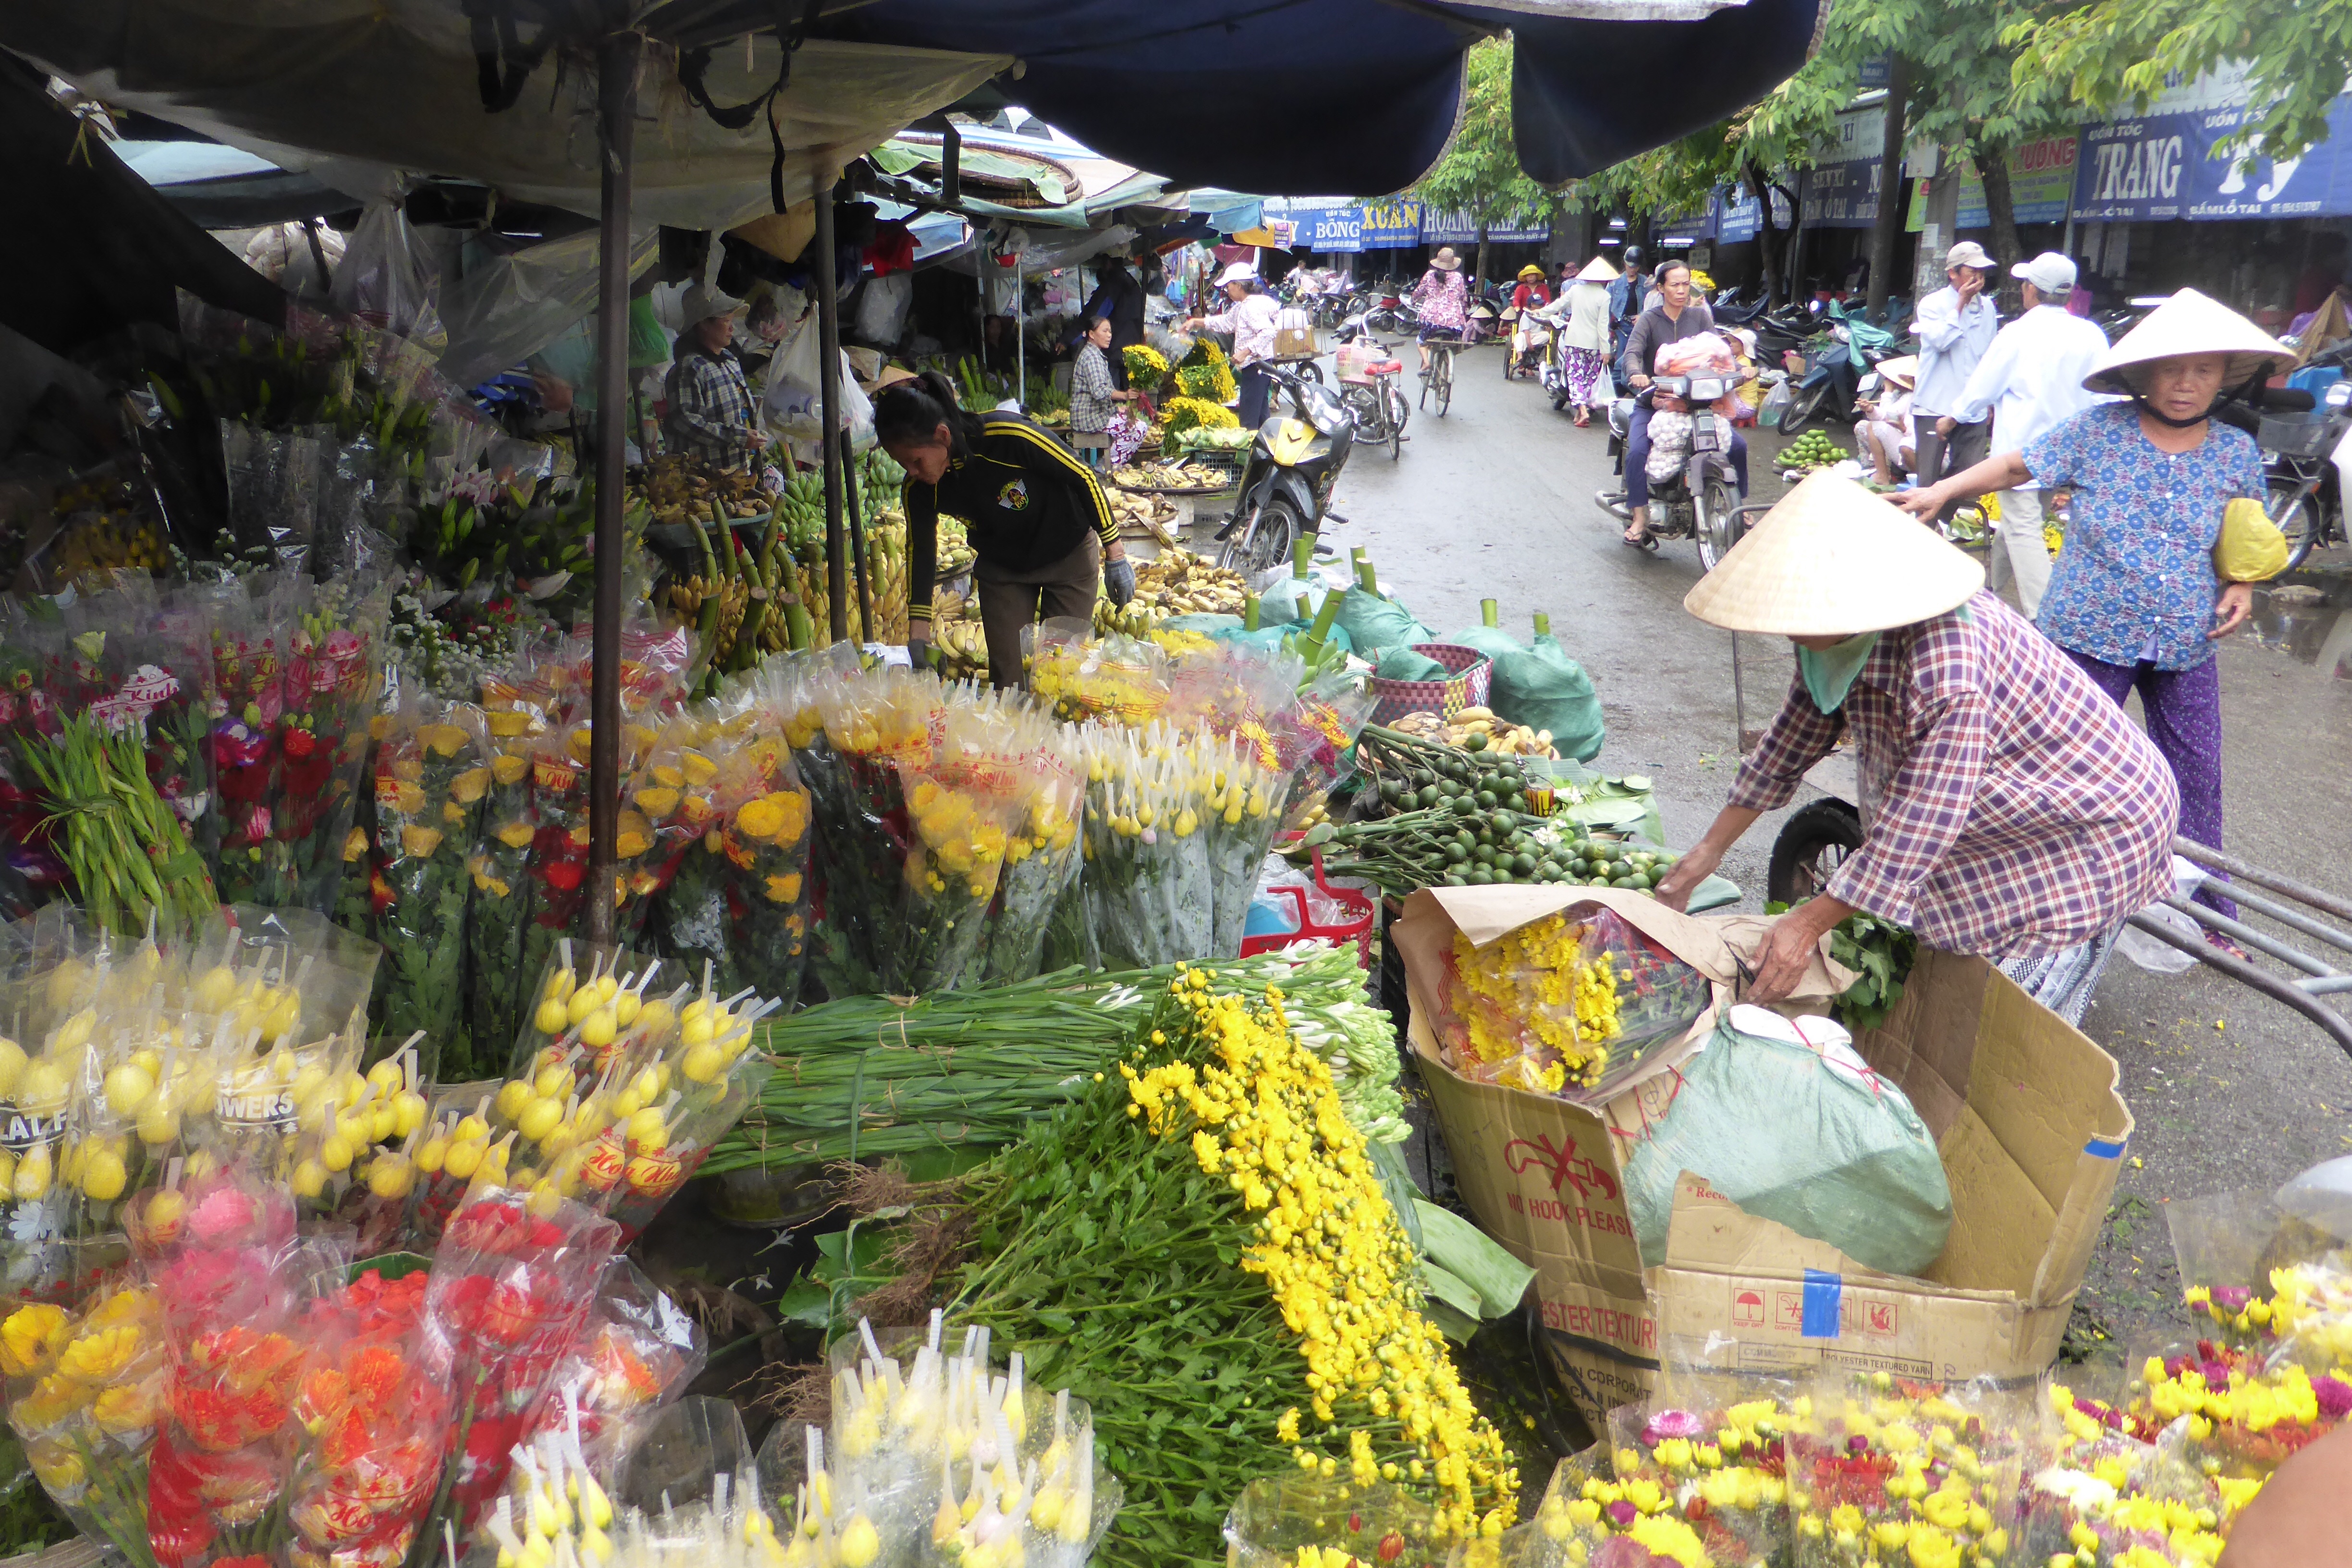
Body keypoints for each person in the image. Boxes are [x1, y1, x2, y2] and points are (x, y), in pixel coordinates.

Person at [1656, 475, 2179, 1024]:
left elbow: (1921, 823)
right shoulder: (1829, 632)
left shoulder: (1948, 669)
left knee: (2009, 1019)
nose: (1784, 629)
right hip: (2002, 799)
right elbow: (1791, 739)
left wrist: (1807, 924)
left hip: (2091, 823)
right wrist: (1708, 852)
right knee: (1949, 974)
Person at [1893, 288, 2294, 942]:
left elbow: (2242, 533)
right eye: (2172, 369)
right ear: (2143, 374)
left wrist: (2243, 586)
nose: (2186, 384)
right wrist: (1941, 489)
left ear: (2225, 377)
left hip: (2186, 639)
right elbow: (2016, 465)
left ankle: (2209, 923)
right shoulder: (2098, 431)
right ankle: (2037, 909)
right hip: (2087, 635)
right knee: (2061, 775)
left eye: (2204, 370)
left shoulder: (2234, 452)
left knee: (2197, 778)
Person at [879, 370, 1135, 690]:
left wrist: (1115, 552)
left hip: (1067, 555)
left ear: (943, 436)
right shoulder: (918, 488)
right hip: (1003, 569)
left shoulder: (1008, 436)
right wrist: (919, 634)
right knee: (1008, 681)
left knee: (1061, 675)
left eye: (916, 461)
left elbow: (1083, 476)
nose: (913, 472)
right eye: (903, 465)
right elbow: (921, 551)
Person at [1939, 253, 2112, 617]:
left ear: (2031, 289)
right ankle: (1986, 592)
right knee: (2018, 523)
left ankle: (2044, 616)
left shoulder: (2017, 334)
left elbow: (1982, 388)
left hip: (2020, 451)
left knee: (2022, 527)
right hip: (2068, 450)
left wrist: (1954, 418)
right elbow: (2103, 395)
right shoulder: (2091, 335)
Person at [1618, 259, 1748, 546]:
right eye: (1674, 285)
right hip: (1656, 400)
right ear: (1661, 288)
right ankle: (1639, 515)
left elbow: (1720, 353)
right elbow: (1632, 353)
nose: (1681, 290)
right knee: (1637, 452)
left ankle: (1739, 506)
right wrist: (1637, 373)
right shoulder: (1649, 320)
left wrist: (1741, 370)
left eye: (1685, 284)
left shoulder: (1700, 318)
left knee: (1738, 447)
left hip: (1698, 403)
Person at [1910, 242, 2000, 524]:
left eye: (1982, 272)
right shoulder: (1932, 304)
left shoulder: (1987, 307)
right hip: (1934, 403)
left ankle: (1944, 523)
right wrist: (1960, 304)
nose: (1979, 278)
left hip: (1972, 405)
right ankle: (1923, 528)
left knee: (1968, 474)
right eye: (1973, 271)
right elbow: (1942, 341)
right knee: (1927, 477)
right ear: (1953, 273)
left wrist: (1989, 401)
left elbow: (1989, 355)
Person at [662, 284, 767, 467]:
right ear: (703, 324)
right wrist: (737, 437)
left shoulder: (729, 360)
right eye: (726, 321)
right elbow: (687, 421)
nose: (732, 329)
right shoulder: (689, 369)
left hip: (737, 470)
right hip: (706, 473)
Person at [1184, 262, 1281, 428]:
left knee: (1249, 421)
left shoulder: (1251, 307)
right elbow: (1226, 322)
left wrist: (1245, 352)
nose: (1227, 290)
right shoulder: (1243, 306)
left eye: (1229, 286)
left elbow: (1268, 332)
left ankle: (1252, 445)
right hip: (1259, 368)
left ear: (1239, 285)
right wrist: (1196, 322)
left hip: (1255, 368)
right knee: (1261, 419)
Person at [1544, 257, 1617, 426]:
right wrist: (1606, 350)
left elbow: (1558, 305)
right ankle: (1582, 411)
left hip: (1574, 341)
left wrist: (1540, 313)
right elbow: (1602, 325)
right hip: (1594, 345)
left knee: (1575, 377)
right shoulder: (1605, 296)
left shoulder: (1575, 290)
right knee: (1589, 379)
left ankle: (1582, 410)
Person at [1067, 315, 1134, 469]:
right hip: (1089, 419)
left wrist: (1116, 409)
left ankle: (1106, 464)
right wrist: (1125, 395)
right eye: (1105, 331)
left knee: (1131, 419)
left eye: (1110, 331)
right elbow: (1099, 392)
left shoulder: (1095, 354)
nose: (1109, 335)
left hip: (1095, 415)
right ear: (1092, 334)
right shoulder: (1091, 357)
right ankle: (1105, 467)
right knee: (1136, 428)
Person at [1078, 252, 1147, 385]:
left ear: (1108, 263)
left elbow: (1096, 313)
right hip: (1132, 345)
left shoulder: (1113, 284)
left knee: (1112, 390)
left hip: (1115, 348)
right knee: (1129, 390)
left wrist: (1071, 337)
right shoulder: (1133, 284)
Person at [1854, 355, 1917, 485]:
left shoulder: (1926, 400)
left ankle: (1921, 481)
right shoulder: (1909, 397)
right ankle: (1881, 475)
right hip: (1907, 447)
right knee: (1872, 425)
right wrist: (1871, 409)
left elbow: (1921, 436)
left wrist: (1903, 429)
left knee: (1906, 445)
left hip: (1922, 454)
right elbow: (1888, 415)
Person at [1410, 246, 1470, 376]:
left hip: (1432, 323)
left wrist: (1413, 300)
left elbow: (1418, 293)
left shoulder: (1430, 276)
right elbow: (1464, 298)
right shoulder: (1458, 277)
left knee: (1421, 341)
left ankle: (1427, 363)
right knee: (1453, 342)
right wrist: (1464, 312)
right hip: (1454, 324)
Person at [1506, 264, 1553, 380]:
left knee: (1545, 336)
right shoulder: (1521, 288)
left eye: (1533, 275)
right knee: (1520, 336)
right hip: (1525, 314)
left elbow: (1547, 301)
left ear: (1537, 276)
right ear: (1525, 277)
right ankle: (1521, 361)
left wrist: (1547, 315)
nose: (1531, 277)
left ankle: (1530, 366)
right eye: (1528, 275)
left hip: (1540, 315)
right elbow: (1516, 300)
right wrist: (1517, 307)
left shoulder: (1543, 288)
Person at [2294, 231, 2349, 317]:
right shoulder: (2317, 278)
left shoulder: (2332, 277)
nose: (2347, 260)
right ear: (2330, 257)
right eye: (2343, 255)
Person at [1607, 245, 1646, 358]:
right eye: (1630, 266)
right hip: (1619, 327)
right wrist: (1608, 326)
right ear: (1625, 264)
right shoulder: (1614, 282)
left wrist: (1642, 316)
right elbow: (1606, 305)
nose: (1632, 269)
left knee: (1635, 357)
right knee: (1619, 358)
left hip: (1637, 327)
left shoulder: (1645, 283)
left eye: (1635, 267)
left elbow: (1652, 304)